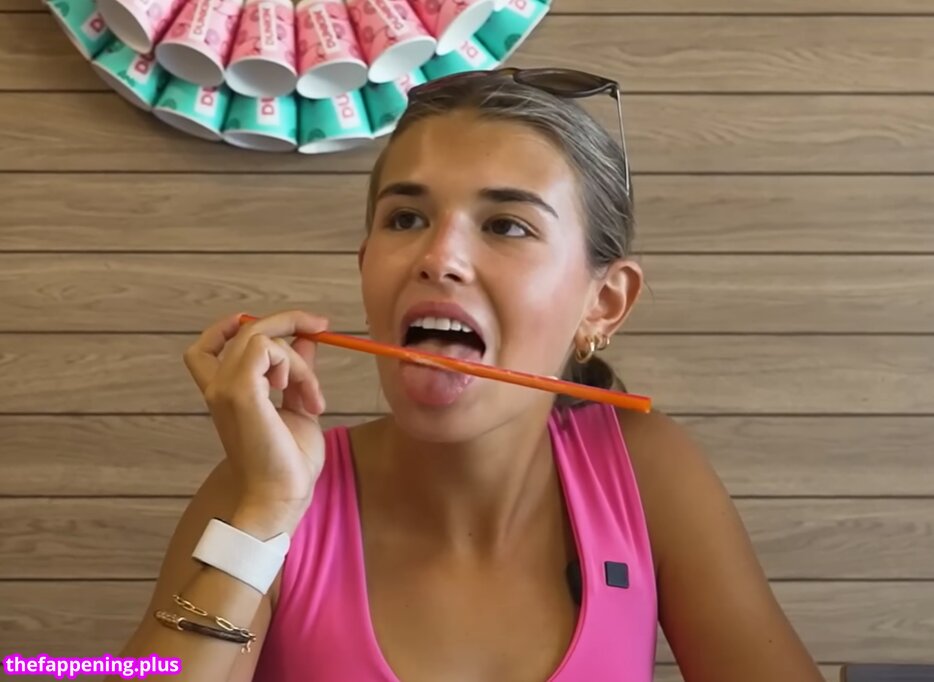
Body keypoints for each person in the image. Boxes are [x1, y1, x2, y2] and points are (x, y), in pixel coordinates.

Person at [109, 68, 825, 682]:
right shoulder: (265, 489)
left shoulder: (646, 473)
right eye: (405, 219)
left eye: (507, 225)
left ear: (603, 303)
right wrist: (265, 510)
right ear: (366, 266)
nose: (438, 258)